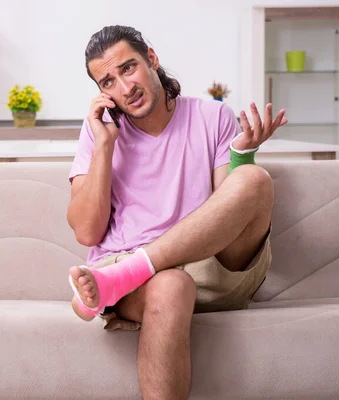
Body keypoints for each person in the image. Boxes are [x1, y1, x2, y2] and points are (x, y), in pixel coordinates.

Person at [67, 25, 287, 400]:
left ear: (151, 58)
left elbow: (227, 211)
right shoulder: (98, 133)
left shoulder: (213, 116)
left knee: (253, 179)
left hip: (211, 265)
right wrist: (104, 146)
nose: (124, 87)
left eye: (128, 67)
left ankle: (123, 276)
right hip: (149, 284)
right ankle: (127, 275)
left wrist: (241, 155)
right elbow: (87, 232)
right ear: (101, 92)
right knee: (170, 285)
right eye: (108, 82)